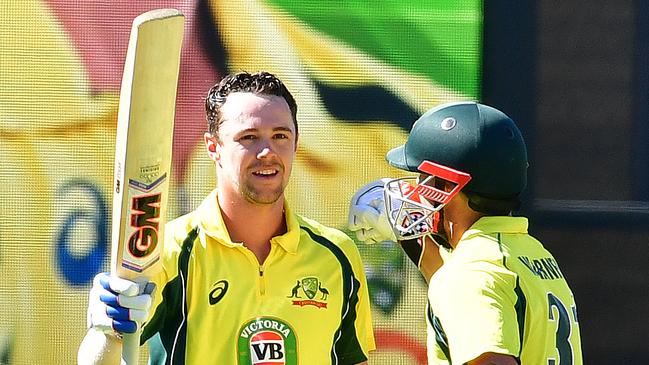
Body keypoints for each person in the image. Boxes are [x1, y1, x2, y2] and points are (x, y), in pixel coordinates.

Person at [79, 71, 375, 364]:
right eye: (249, 137)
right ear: (214, 147)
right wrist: (108, 334)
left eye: (280, 136)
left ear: (296, 143)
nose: (267, 151)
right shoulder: (167, 250)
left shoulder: (337, 254)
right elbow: (96, 359)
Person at [348, 101, 582, 364]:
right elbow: (460, 291)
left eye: (422, 178)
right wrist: (408, 232)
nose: (415, 189)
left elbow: (466, 289)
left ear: (447, 185)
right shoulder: (532, 253)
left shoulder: (469, 272)